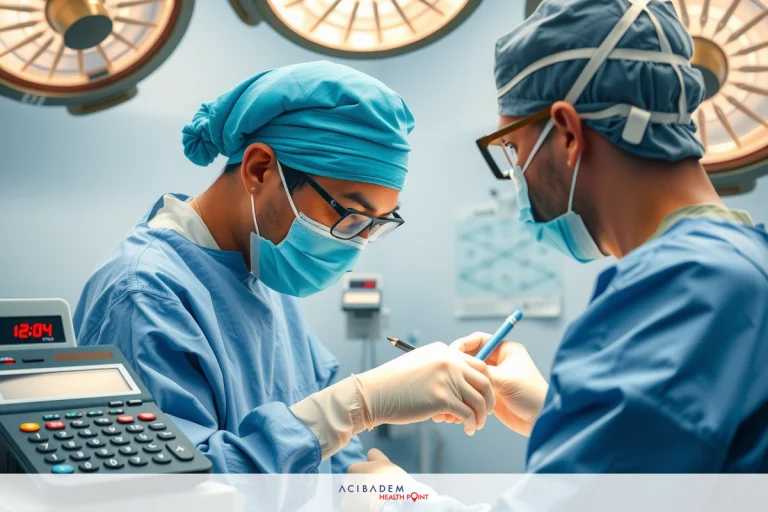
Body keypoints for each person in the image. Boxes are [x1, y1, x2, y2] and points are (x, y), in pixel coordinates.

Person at [349, 0, 768, 482]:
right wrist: (552, 413)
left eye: (513, 148)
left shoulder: (687, 289)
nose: (516, 174)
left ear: (568, 133)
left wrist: (397, 498)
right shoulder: (738, 266)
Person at [74, 61, 495, 474]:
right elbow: (175, 490)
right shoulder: (142, 294)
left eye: (376, 224)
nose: (360, 242)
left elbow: (321, 432)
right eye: (351, 215)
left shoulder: (260, 269)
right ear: (260, 169)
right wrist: (357, 405)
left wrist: (367, 487)